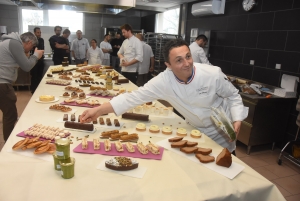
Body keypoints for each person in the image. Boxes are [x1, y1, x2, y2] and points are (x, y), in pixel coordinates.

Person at [80, 39, 248, 154]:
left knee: (226, 170)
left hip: (223, 132)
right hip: (196, 131)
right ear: (168, 65)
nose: (187, 63)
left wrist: (237, 118)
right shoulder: (163, 81)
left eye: (188, 56)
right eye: (179, 60)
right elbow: (133, 98)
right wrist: (100, 110)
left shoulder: (212, 74)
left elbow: (233, 95)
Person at [0, 32, 44, 141]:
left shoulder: (9, 42)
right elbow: (27, 66)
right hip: (2, 84)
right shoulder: (15, 44)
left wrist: (28, 56)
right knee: (10, 116)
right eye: (32, 47)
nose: (31, 49)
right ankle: (8, 144)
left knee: (9, 114)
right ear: (29, 42)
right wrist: (36, 56)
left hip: (3, 83)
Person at [30, 27, 44, 94]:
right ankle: (33, 90)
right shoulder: (31, 40)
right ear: (34, 33)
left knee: (39, 76)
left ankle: (39, 90)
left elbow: (42, 49)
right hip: (34, 61)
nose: (39, 34)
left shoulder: (41, 40)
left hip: (41, 60)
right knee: (34, 76)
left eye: (40, 32)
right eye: (38, 32)